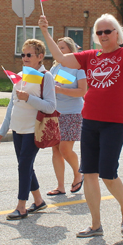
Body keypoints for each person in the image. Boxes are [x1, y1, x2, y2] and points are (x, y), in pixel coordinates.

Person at [38, 4, 123, 237]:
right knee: (89, 172)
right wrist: (45, 32)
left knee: (108, 173)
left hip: (115, 122)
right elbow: (60, 57)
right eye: (99, 33)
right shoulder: (91, 56)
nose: (103, 36)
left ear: (117, 33)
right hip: (90, 119)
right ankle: (95, 224)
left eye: (107, 31)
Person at [0, 39, 56, 220]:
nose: (25, 58)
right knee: (25, 165)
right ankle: (39, 200)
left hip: (33, 129)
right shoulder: (19, 76)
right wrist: (1, 132)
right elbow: (11, 106)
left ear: (40, 57)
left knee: (24, 166)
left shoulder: (46, 76)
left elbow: (50, 107)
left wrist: (28, 98)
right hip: (17, 129)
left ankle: (21, 206)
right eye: (23, 54)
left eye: (29, 55)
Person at [47, 37, 87, 196]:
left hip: (73, 112)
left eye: (62, 48)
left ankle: (78, 173)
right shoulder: (54, 69)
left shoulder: (78, 68)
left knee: (64, 148)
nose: (59, 51)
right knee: (55, 150)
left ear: (70, 51)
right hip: (55, 112)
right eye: (58, 48)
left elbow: (82, 91)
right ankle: (60, 186)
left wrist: (61, 90)